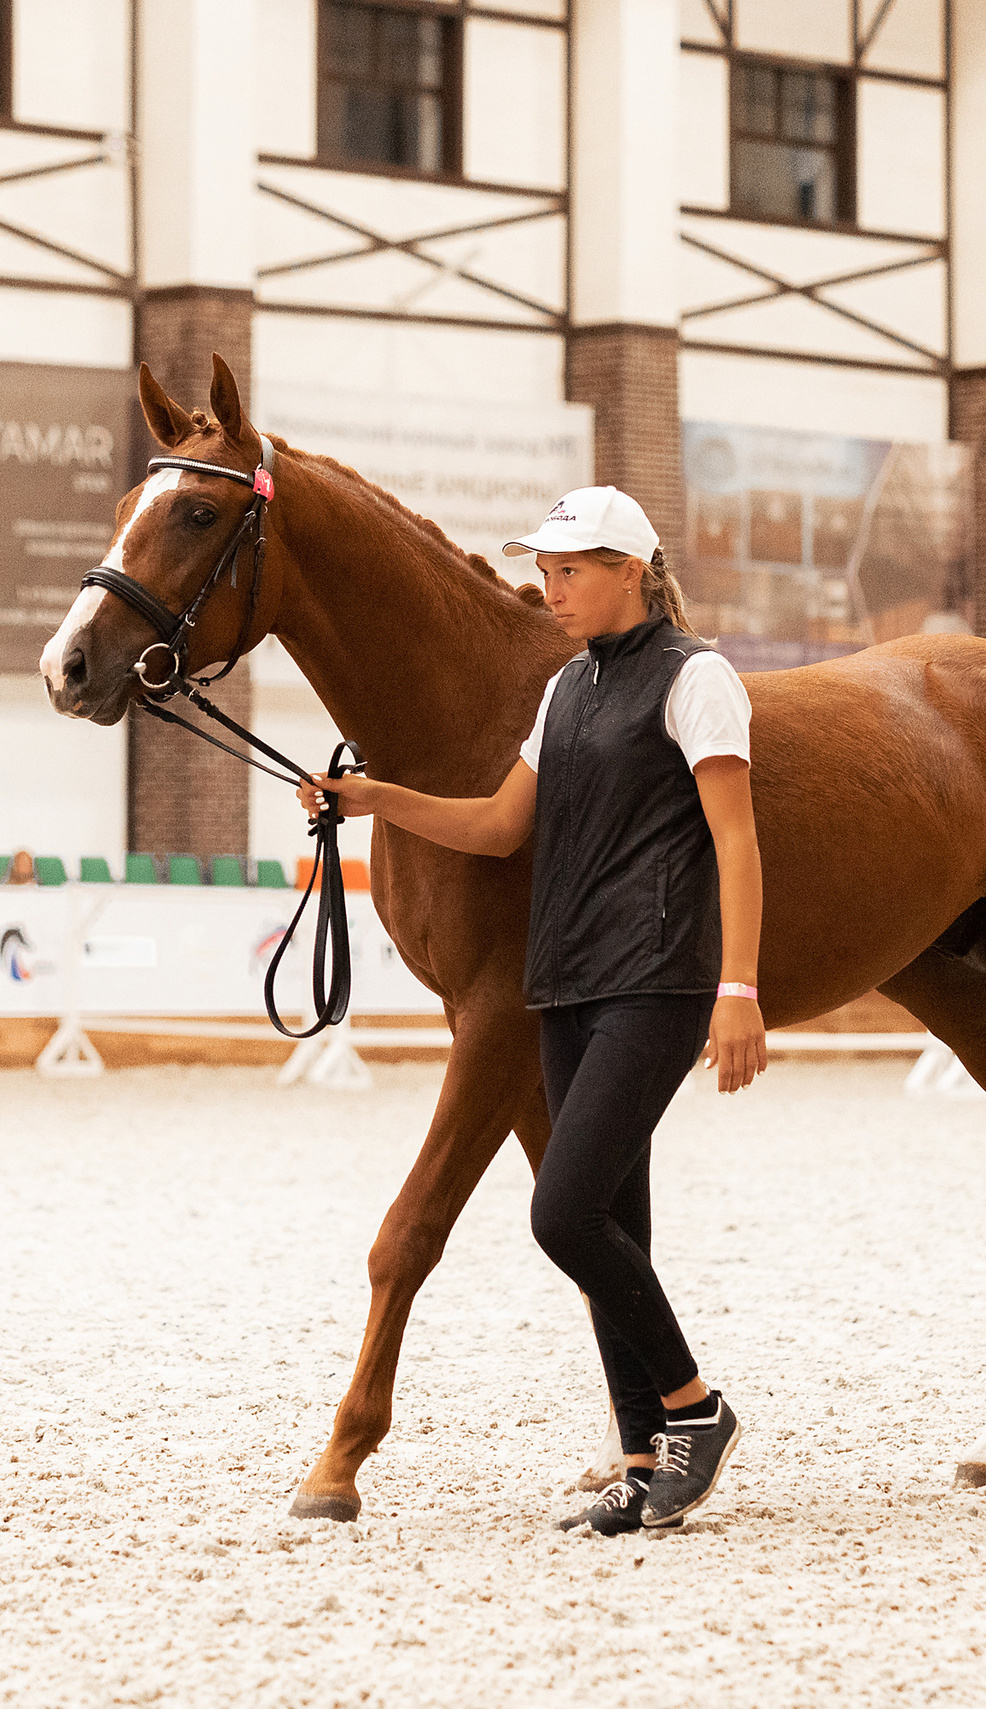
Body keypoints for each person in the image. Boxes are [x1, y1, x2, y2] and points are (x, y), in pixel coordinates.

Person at [300, 485, 764, 1537]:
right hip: (563, 984)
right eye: (545, 572)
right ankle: (643, 1460)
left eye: (571, 572)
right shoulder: (566, 688)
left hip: (655, 981)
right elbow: (501, 825)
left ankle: (695, 1409)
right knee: (616, 1222)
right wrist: (374, 799)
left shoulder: (699, 679)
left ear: (631, 572)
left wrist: (737, 987)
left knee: (560, 1213)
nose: (551, 590)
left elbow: (735, 840)